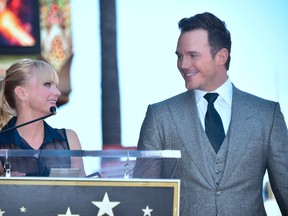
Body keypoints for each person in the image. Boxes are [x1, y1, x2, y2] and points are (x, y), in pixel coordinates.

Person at [135, 12, 288, 215]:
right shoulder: (160, 116)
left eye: (193, 55)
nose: (183, 65)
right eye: (180, 56)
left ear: (221, 57)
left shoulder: (267, 115)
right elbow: (143, 199)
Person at [0, 58, 86, 177]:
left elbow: (83, 191)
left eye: (56, 86)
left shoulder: (70, 139)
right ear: (21, 93)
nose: (57, 92)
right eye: (47, 84)